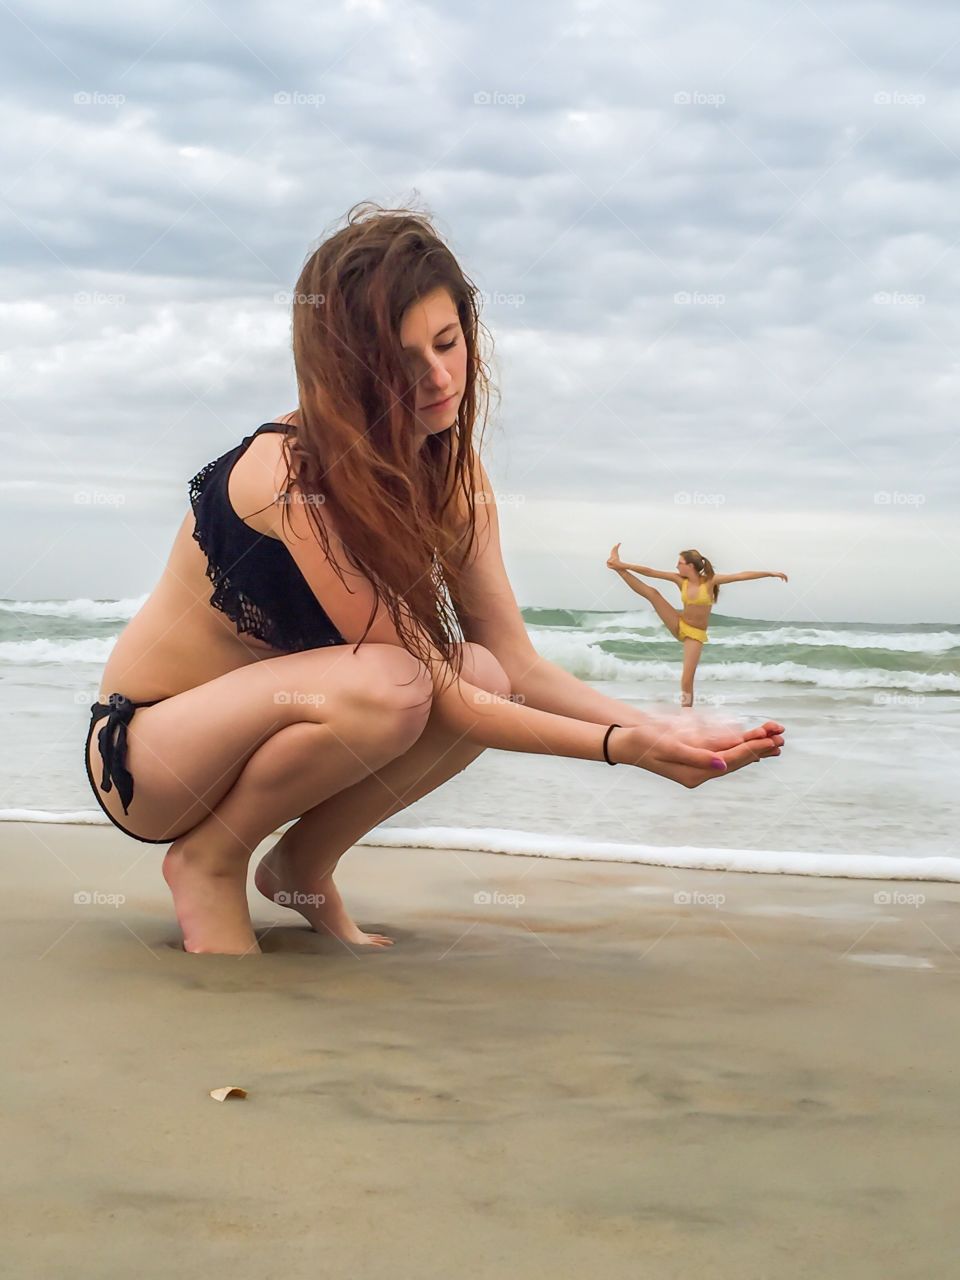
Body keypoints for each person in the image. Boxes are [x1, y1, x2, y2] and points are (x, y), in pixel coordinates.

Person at [84, 203, 786, 956]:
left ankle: (301, 864)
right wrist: (621, 750)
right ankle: (209, 861)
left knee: (477, 664)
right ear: (344, 369)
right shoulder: (289, 476)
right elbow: (434, 694)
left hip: (265, 744)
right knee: (400, 683)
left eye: (447, 342)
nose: (439, 376)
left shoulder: (450, 473)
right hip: (153, 757)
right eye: (401, 361)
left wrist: (659, 727)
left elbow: (512, 666)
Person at [606, 544, 789, 708]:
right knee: (653, 593)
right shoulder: (680, 580)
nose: (677, 566)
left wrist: (770, 573)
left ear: (690, 566)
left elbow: (741, 576)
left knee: (687, 680)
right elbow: (650, 571)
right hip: (679, 623)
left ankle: (686, 714)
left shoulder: (710, 581)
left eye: (680, 562)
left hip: (695, 634)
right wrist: (623, 566)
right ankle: (617, 567)